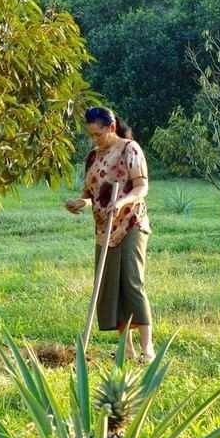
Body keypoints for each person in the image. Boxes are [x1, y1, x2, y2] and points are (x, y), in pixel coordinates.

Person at [64, 106, 156, 362]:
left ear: (112, 127)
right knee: (110, 286)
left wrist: (122, 201)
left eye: (99, 134)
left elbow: (142, 187)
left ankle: (147, 348)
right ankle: (127, 348)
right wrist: (80, 202)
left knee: (131, 281)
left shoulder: (129, 149)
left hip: (131, 222)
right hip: (105, 228)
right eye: (91, 135)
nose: (95, 139)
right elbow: (90, 194)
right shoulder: (93, 156)